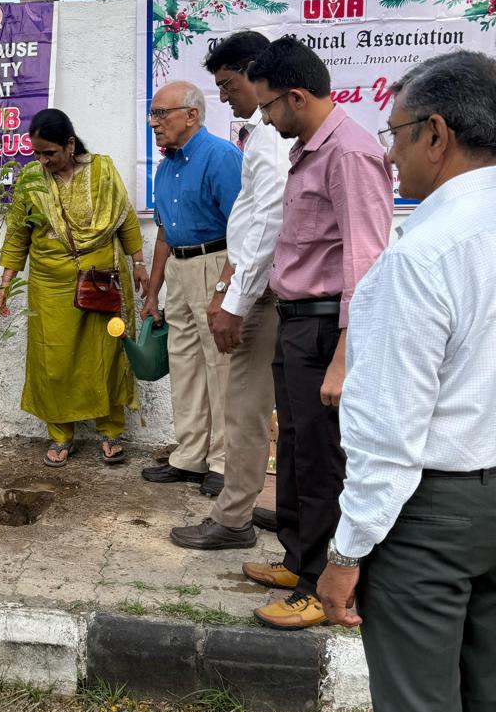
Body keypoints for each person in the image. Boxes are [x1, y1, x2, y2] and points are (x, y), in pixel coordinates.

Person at [288, 50, 496, 712]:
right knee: (492, 692)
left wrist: (344, 554)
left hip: (432, 508)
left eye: (399, 133)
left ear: (437, 134)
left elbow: (387, 432)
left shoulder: (421, 257)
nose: (391, 153)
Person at [243, 37, 392, 629]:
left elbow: (366, 264)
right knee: (296, 451)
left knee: (323, 458)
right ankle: (297, 559)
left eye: (268, 105)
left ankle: (318, 587)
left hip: (328, 329)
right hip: (299, 322)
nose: (264, 118)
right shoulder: (311, 150)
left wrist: (345, 358)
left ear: (297, 96)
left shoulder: (349, 154)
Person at [169, 32, 290, 551]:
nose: (223, 97)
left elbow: (265, 221)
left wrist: (232, 297)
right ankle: (286, 511)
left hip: (260, 288)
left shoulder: (267, 137)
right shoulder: (262, 133)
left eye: (228, 84)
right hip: (261, 283)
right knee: (270, 409)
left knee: (242, 407)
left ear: (256, 73)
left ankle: (234, 518)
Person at [0, 109, 148, 466]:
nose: (43, 161)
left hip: (102, 280)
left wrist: (139, 263)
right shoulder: (31, 180)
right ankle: (61, 435)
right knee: (54, 360)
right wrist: (5, 284)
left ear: (69, 144)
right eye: (37, 153)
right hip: (50, 284)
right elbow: (17, 233)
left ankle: (111, 432)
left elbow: (124, 217)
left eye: (49, 153)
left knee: (107, 354)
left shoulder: (102, 170)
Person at [140, 81, 242, 494]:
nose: (154, 123)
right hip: (179, 268)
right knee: (184, 364)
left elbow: (243, 229)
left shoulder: (221, 156)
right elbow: (164, 232)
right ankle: (190, 456)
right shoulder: (166, 166)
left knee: (222, 367)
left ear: (192, 115)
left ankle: (224, 462)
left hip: (215, 262)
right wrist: (153, 292)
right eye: (152, 114)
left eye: (161, 114)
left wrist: (225, 287)